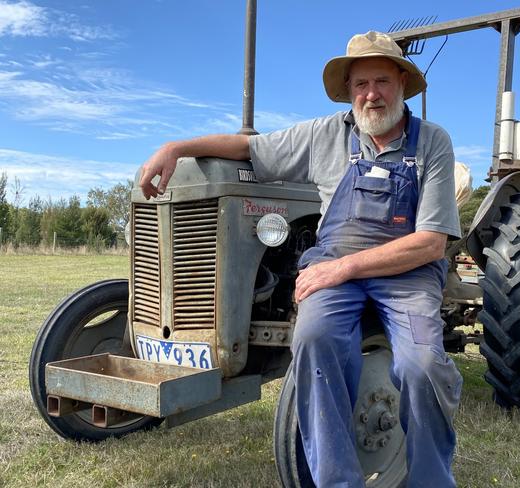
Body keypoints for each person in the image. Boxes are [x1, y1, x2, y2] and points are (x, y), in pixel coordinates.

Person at [140, 31, 463, 488]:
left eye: (382, 82)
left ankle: (430, 480)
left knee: (423, 366)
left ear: (402, 84)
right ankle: (337, 482)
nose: (371, 94)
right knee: (313, 339)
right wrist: (176, 147)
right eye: (360, 84)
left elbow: (430, 243)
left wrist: (344, 267)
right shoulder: (325, 134)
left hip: (405, 274)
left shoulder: (431, 143)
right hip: (336, 270)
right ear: (349, 90)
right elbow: (250, 148)